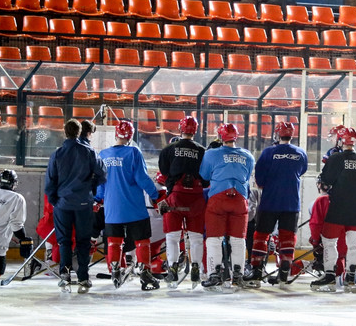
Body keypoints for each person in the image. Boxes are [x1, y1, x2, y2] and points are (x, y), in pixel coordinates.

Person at [96, 120, 160, 291]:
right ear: (131, 136)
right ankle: (145, 271)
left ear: (115, 134)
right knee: (142, 240)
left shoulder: (103, 154)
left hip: (112, 209)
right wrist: (155, 195)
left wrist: (98, 199)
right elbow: (142, 178)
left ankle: (115, 267)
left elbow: (100, 185)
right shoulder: (133, 152)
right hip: (134, 207)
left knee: (114, 241)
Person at [45, 119, 107, 294]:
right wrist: (90, 186)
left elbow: (50, 181)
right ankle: (83, 277)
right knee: (83, 241)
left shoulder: (57, 154)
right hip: (83, 203)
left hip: (63, 204)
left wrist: (55, 200)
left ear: (65, 132)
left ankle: (64, 273)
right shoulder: (89, 151)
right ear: (80, 132)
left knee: (64, 240)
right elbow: (103, 175)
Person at [245, 122, 308, 287]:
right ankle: (285, 270)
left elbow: (259, 180)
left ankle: (257, 270)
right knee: (287, 238)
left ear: (277, 134)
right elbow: (302, 171)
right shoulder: (300, 152)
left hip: (269, 202)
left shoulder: (268, 152)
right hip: (291, 202)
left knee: (261, 236)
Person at [311, 127, 356, 292]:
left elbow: (326, 181)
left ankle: (330, 275)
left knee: (329, 241)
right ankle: (351, 276)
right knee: (354, 243)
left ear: (340, 140)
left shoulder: (336, 158)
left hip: (338, 206)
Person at [199, 123, 255, 289]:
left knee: (214, 239)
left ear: (220, 136)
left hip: (218, 198)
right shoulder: (248, 155)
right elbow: (247, 174)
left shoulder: (211, 154)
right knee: (238, 239)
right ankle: (238, 273)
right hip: (240, 198)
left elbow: (204, 175)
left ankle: (214, 273)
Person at [158, 116, 208, 287]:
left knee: (172, 237)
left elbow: (164, 172)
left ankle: (172, 267)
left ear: (180, 129)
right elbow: (207, 177)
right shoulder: (203, 151)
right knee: (196, 238)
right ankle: (195, 267)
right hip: (196, 198)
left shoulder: (169, 149)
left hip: (175, 198)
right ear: (196, 130)